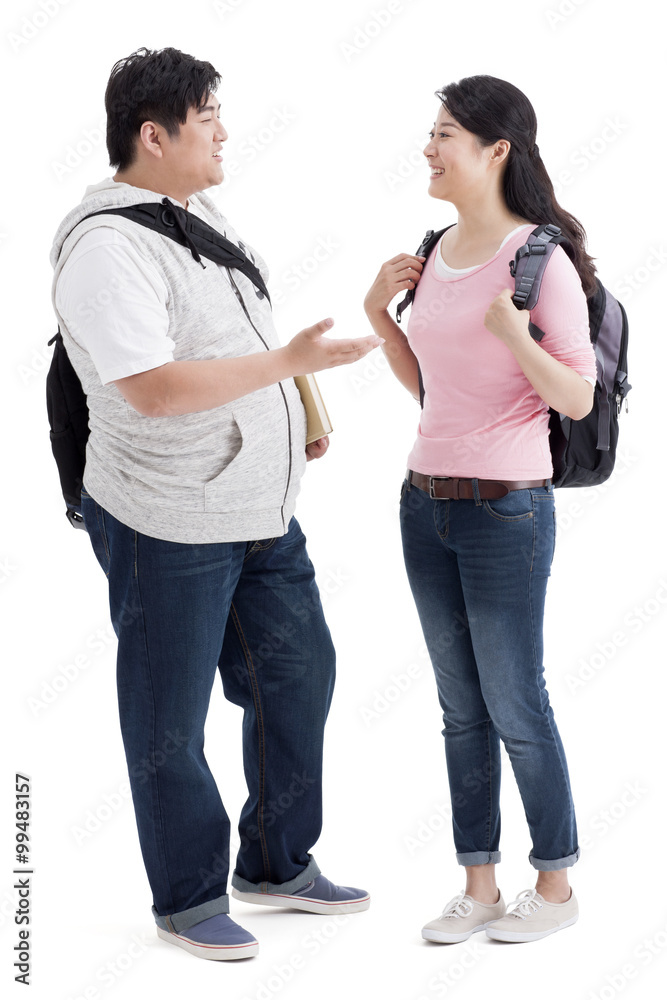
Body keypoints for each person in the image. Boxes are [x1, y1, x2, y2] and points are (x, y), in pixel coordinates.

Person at [50, 46, 380, 962]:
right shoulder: (108, 248)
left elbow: (244, 334)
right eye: (208, 118)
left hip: (259, 507)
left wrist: (297, 408)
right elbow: (153, 390)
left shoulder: (196, 217)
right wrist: (288, 367)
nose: (226, 132)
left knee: (298, 676)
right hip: (166, 518)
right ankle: (188, 900)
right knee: (169, 718)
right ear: (153, 136)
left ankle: (275, 864)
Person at [364, 74, 597, 944]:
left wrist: (512, 335)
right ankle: (479, 887)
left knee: (515, 704)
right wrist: (377, 314)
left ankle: (555, 888)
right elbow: (432, 390)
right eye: (430, 132)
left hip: (506, 512)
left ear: (496, 150)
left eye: (444, 135)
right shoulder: (434, 250)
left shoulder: (540, 261)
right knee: (459, 707)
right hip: (421, 504)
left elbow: (575, 397)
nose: (427, 148)